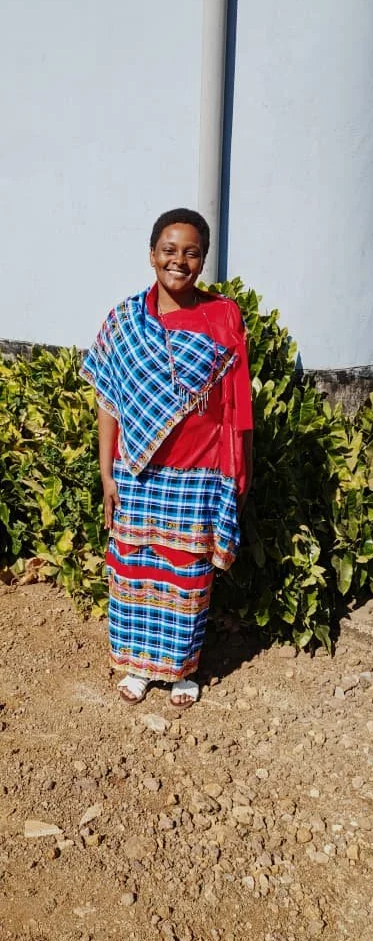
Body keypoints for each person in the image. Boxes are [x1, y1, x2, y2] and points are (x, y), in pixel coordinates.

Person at [81, 208, 253, 708]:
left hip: (199, 472)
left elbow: (235, 404)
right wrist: (106, 472)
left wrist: (237, 469)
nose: (180, 260)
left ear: (202, 261)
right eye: (170, 250)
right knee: (132, 569)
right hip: (137, 471)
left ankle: (182, 669)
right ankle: (137, 666)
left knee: (187, 575)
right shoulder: (125, 321)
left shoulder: (223, 316)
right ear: (152, 254)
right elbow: (108, 400)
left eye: (192, 252)